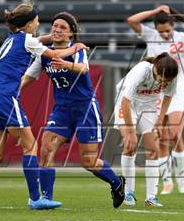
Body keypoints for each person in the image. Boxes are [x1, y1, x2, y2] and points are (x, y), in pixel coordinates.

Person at [0, 3, 88, 211]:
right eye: (37, 20)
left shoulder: (12, 39)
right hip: (6, 98)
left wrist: (51, 38)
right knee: (31, 146)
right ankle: (35, 199)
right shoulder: (27, 41)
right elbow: (54, 55)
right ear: (30, 23)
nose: (40, 23)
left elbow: (38, 42)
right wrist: (76, 47)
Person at [21, 11, 125, 208]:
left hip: (85, 108)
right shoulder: (44, 53)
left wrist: (66, 64)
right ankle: (46, 199)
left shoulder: (77, 50)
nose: (57, 29)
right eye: (55, 25)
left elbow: (83, 68)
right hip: (62, 109)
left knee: (89, 161)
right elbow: (29, 77)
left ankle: (117, 182)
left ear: (71, 34)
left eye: (63, 27)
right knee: (46, 149)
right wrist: (9, 92)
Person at [126, 5, 184, 195]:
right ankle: (167, 181)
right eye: (161, 31)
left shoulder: (182, 37)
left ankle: (180, 178)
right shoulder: (150, 35)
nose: (165, 34)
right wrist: (155, 11)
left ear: (173, 26)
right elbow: (131, 20)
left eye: (168, 30)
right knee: (161, 138)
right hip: (157, 91)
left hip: (177, 91)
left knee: (173, 134)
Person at [115, 52, 179, 207]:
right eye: (159, 77)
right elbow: (125, 102)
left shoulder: (172, 75)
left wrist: (160, 121)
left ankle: (151, 197)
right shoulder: (142, 70)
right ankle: (128, 193)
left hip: (149, 105)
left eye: (165, 81)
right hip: (127, 103)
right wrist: (130, 132)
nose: (161, 82)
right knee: (130, 146)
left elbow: (168, 97)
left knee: (153, 150)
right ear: (155, 68)